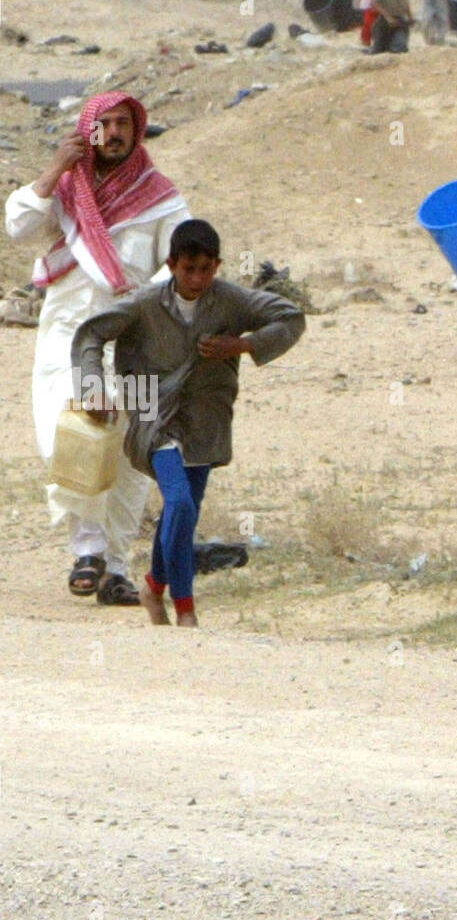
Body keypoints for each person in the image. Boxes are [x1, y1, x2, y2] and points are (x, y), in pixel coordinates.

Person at [4, 91, 190, 607]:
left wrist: (143, 301)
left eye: (123, 125)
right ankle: (85, 548)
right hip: (68, 334)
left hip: (139, 337)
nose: (113, 133)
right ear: (88, 131)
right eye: (104, 124)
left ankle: (113, 568)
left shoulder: (160, 197)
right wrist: (53, 170)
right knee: (72, 435)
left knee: (134, 453)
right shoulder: (65, 189)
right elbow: (18, 228)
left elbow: (177, 263)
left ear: (137, 130)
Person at [72, 220, 305, 630]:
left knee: (184, 513)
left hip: (205, 416)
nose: (197, 279)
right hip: (149, 408)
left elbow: (290, 318)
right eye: (188, 270)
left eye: (206, 269)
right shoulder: (144, 303)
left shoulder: (231, 300)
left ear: (217, 265)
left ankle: (152, 585)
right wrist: (93, 388)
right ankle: (186, 610)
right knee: (178, 503)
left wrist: (244, 345)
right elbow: (91, 335)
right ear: (172, 264)